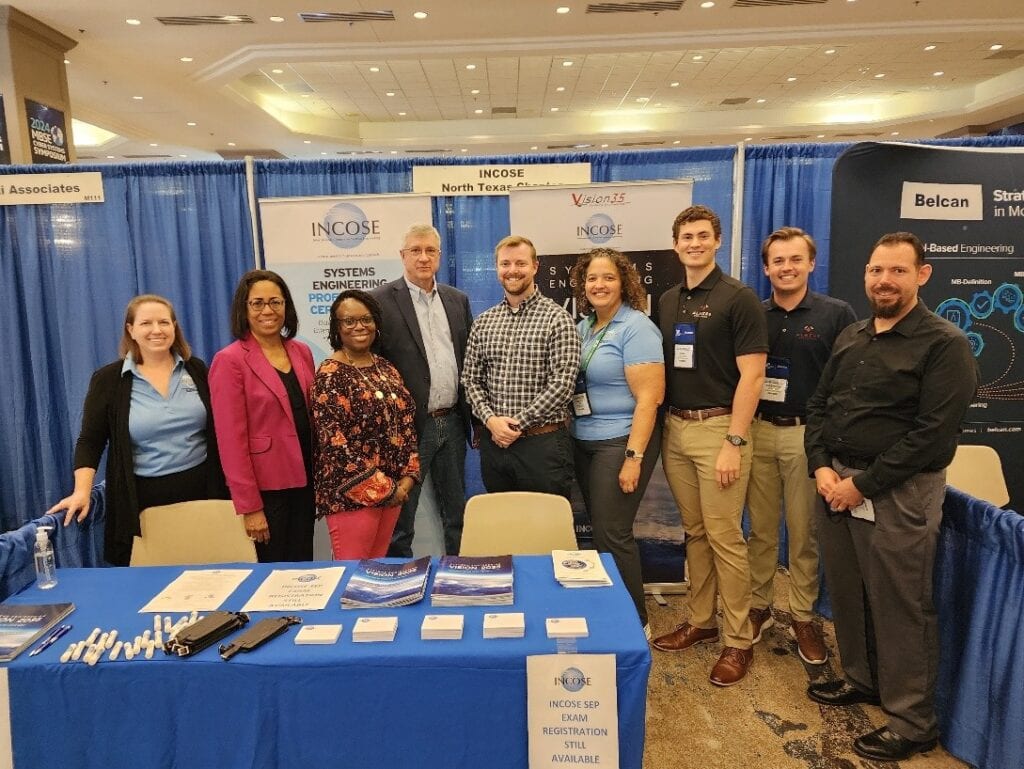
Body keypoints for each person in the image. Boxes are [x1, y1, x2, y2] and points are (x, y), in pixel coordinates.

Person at [804, 232, 978, 762]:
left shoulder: (944, 344)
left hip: (900, 493)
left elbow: (932, 434)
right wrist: (822, 469)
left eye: (898, 271)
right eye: (877, 270)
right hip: (836, 484)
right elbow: (819, 407)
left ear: (921, 275)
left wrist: (861, 484)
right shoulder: (854, 336)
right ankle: (862, 678)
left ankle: (912, 719)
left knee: (901, 605)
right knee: (850, 592)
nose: (884, 280)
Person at [650, 205, 768, 687]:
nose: (693, 243)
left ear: (717, 241)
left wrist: (734, 441)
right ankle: (701, 621)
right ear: (675, 244)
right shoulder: (668, 298)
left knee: (725, 537)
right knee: (695, 533)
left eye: (702, 235)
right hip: (676, 429)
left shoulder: (739, 298)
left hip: (720, 429)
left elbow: (754, 375)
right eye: (685, 236)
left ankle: (738, 641)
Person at [745, 227, 856, 665]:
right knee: (760, 530)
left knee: (805, 532)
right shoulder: (754, 313)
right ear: (766, 267)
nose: (786, 268)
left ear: (811, 263)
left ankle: (803, 615)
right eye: (778, 261)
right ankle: (759, 605)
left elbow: (849, 382)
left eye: (795, 260)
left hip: (807, 437)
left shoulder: (836, 314)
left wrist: (829, 443)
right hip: (757, 430)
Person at [47, 294, 226, 566]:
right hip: (143, 500)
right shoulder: (108, 380)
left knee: (208, 571)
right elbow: (90, 440)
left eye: (164, 322)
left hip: (204, 491)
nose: (157, 330)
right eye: (146, 323)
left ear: (174, 327)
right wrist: (82, 491)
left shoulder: (196, 368)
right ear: (131, 329)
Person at [569, 248, 664, 633]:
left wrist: (633, 456)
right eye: (592, 278)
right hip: (583, 439)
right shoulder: (583, 327)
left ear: (624, 282)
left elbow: (649, 398)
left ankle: (633, 620)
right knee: (600, 528)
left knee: (613, 532)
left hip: (621, 441)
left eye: (608, 277)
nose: (599, 284)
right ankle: (610, 605)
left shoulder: (636, 327)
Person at [372, 224, 472, 557]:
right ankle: (398, 587)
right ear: (402, 256)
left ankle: (459, 580)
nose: (423, 257)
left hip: (453, 423)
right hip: (408, 430)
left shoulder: (457, 301)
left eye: (430, 250)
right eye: (415, 250)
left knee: (456, 514)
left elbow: (468, 361)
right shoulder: (380, 302)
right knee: (401, 519)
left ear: (440, 256)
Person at [462, 235, 581, 498]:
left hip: (543, 446)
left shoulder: (558, 319)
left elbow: (562, 384)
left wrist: (517, 425)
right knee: (505, 529)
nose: (512, 270)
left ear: (535, 266)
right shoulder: (484, 322)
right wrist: (491, 421)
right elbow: (470, 380)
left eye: (520, 263)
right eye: (505, 264)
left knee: (547, 532)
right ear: (496, 268)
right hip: (495, 447)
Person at [210, 269, 316, 562]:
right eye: (257, 303)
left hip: (305, 483)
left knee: (302, 570)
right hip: (266, 492)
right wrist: (250, 506)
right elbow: (230, 441)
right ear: (244, 309)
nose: (267, 310)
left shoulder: (302, 351)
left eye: (275, 302)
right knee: (271, 576)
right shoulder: (229, 360)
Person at [310, 290, 420, 559]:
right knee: (352, 577)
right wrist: (385, 488)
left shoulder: (385, 367)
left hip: (394, 492)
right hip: (353, 497)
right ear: (337, 328)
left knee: (376, 571)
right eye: (349, 321)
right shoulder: (330, 375)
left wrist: (406, 479)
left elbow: (406, 424)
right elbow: (335, 445)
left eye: (366, 319)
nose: (359, 326)